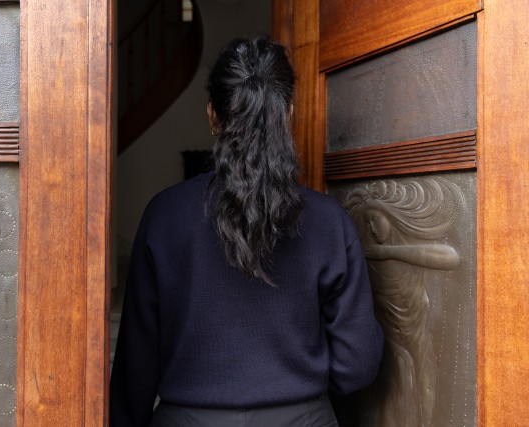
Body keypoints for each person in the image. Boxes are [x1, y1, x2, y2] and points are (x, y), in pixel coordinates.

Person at [110, 36, 383, 427]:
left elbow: (134, 371)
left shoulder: (163, 216)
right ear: (288, 114)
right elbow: (356, 365)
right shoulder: (328, 221)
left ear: (212, 116)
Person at [343, 178, 464, 427]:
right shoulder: (363, 252)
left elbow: (451, 257)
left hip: (417, 331)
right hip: (389, 339)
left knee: (423, 384)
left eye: (376, 219)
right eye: (367, 222)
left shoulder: (401, 250)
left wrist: (387, 252)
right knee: (394, 391)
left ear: (392, 217)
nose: (372, 227)